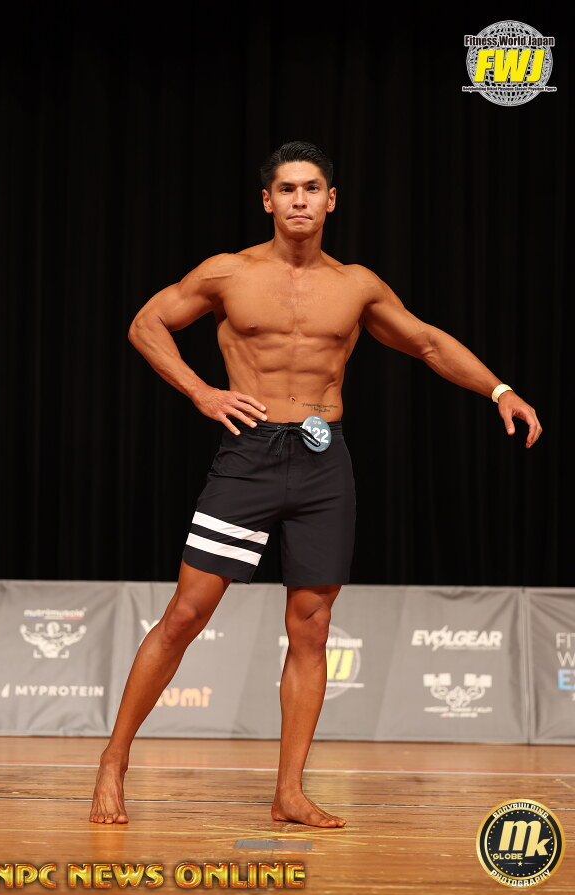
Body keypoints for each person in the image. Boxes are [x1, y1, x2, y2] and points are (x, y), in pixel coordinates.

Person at [89, 140, 542, 829]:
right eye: (286, 189)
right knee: (186, 614)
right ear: (267, 201)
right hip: (249, 455)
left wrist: (499, 389)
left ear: (331, 200)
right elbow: (146, 323)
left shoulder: (356, 285)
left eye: (311, 189)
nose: (298, 200)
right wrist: (202, 392)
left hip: (323, 460)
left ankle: (289, 791)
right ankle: (114, 761)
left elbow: (426, 342)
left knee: (312, 626)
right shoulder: (228, 272)